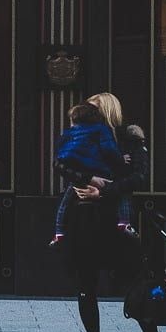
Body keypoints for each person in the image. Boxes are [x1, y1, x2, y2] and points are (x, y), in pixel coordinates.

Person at [54, 90, 162, 332]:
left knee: (135, 283)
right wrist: (88, 178)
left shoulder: (129, 138)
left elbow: (139, 177)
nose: (88, 113)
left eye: (94, 109)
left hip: (115, 216)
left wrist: (103, 191)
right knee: (85, 285)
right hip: (85, 220)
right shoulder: (81, 136)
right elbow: (62, 165)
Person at [51, 102, 133, 243]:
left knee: (65, 202)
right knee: (123, 196)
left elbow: (60, 156)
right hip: (101, 172)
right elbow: (110, 151)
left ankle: (59, 232)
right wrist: (120, 160)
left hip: (79, 175)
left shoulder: (69, 133)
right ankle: (124, 222)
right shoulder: (102, 131)